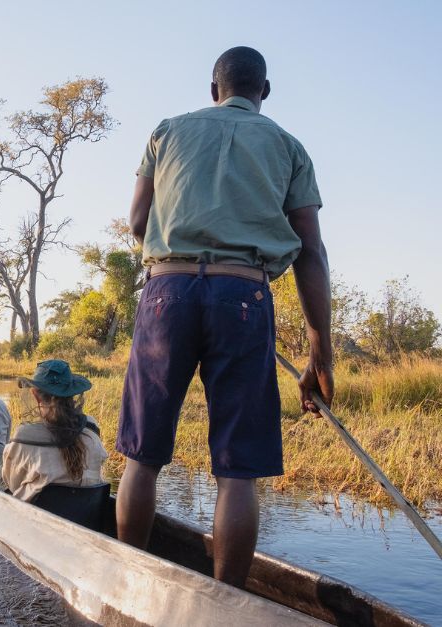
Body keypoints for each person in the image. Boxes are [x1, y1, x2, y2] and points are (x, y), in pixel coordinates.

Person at [115, 46, 334, 587]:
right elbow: (310, 252)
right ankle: (227, 602)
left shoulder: (167, 132)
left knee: (142, 458)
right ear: (265, 92)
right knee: (237, 472)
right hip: (243, 296)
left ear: (214, 90)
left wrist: (177, 264)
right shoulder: (288, 146)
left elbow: (138, 222)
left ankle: (126, 582)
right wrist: (320, 354)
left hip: (166, 293)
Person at [0, 360, 108, 502]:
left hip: (29, 511)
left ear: (35, 395)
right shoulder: (91, 427)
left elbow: (12, 484)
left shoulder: (25, 436)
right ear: (72, 393)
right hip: (84, 508)